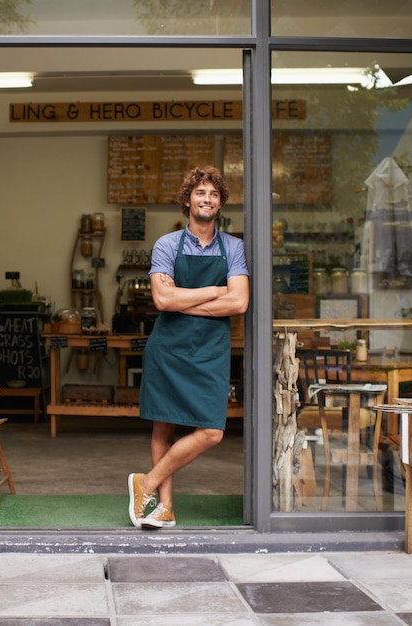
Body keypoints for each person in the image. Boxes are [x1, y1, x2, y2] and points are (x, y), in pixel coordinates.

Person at [128, 166, 250, 529]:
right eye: (200, 193)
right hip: (169, 348)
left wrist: (185, 299)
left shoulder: (234, 247)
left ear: (221, 202)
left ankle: (145, 483)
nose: (207, 199)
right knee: (163, 427)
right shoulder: (167, 245)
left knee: (211, 430)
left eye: (213, 194)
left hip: (211, 350)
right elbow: (162, 300)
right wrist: (215, 291)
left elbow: (240, 303)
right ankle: (164, 507)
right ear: (187, 200)